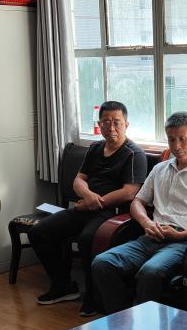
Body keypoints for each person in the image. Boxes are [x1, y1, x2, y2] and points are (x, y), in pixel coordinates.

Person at [92, 111, 187, 313]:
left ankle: (145, 323)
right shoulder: (159, 169)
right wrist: (146, 223)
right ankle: (121, 317)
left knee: (151, 272)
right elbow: (137, 202)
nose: (176, 146)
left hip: (182, 242)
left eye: (183, 139)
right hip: (150, 236)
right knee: (102, 263)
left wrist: (181, 234)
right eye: (171, 139)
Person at [30, 100, 147, 315]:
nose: (111, 127)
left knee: (87, 239)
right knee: (39, 231)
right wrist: (88, 196)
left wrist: (94, 202)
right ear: (99, 124)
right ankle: (63, 286)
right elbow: (79, 180)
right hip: (85, 207)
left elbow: (129, 192)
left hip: (113, 214)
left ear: (126, 124)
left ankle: (94, 297)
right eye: (106, 122)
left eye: (117, 122)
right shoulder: (95, 148)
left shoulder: (133, 154)